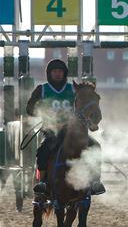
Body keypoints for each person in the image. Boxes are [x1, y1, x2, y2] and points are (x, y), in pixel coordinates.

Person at [27, 59, 105, 197]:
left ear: (64, 73)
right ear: (49, 73)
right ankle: (42, 183)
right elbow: (29, 108)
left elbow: (86, 107)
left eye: (60, 71)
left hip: (73, 131)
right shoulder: (42, 89)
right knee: (43, 152)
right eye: (54, 71)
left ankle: (95, 182)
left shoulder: (74, 90)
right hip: (52, 131)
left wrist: (91, 121)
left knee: (96, 147)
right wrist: (44, 113)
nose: (57, 74)